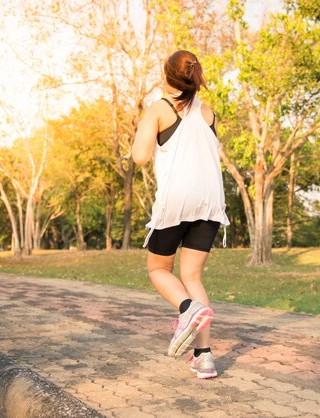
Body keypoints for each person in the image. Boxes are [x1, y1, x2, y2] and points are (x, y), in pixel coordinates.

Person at [132, 50, 229, 379]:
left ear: (168, 77)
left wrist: (144, 123)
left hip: (177, 200)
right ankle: (204, 357)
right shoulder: (208, 112)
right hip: (211, 201)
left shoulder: (160, 108)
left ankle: (188, 310)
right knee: (192, 277)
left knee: (158, 268)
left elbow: (140, 156)